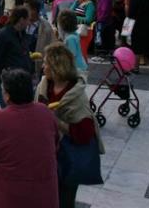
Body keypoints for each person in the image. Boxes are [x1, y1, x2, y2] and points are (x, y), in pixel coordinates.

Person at [0, 69, 59, 208]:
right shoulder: (46, 112)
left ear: (7, 95)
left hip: (11, 195)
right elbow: (55, 143)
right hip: (44, 193)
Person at [36, 43, 104, 208]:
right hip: (47, 152)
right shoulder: (44, 85)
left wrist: (57, 122)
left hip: (68, 156)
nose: (43, 66)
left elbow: (85, 133)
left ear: (56, 67)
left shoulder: (76, 95)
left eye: (46, 63)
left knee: (65, 199)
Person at [0, 7, 32, 107]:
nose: (29, 23)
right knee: (0, 110)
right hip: (4, 83)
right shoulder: (3, 36)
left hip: (18, 82)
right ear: (21, 20)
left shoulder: (21, 34)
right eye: (28, 20)